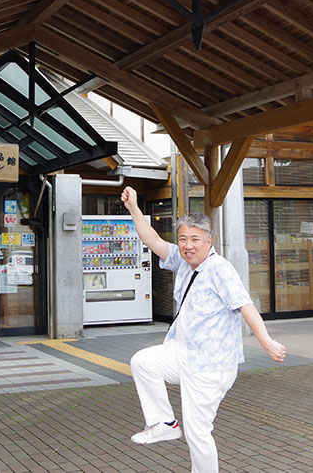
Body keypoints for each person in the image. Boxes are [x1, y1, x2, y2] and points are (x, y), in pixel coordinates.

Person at [121, 186, 286, 473]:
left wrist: (267, 342)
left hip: (210, 365)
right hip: (182, 353)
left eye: (195, 239)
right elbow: (153, 240)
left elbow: (245, 305)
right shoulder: (184, 263)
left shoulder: (220, 269)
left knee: (197, 432)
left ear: (209, 241)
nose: (188, 245)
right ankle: (163, 423)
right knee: (143, 362)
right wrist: (134, 207)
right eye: (183, 239)